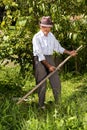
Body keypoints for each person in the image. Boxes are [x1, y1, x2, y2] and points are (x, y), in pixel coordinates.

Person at [32, 16, 77, 109]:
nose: (46, 29)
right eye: (44, 27)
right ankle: (41, 106)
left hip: (49, 59)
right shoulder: (36, 37)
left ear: (50, 27)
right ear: (40, 26)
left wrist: (70, 52)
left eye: (48, 27)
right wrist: (49, 66)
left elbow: (58, 48)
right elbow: (40, 54)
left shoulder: (51, 36)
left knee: (56, 81)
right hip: (40, 61)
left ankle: (58, 104)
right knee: (41, 83)